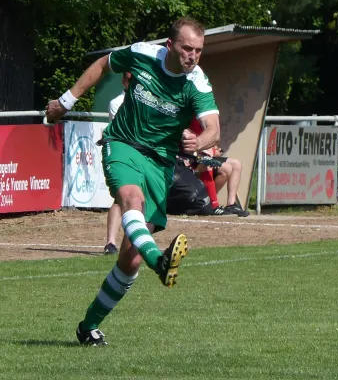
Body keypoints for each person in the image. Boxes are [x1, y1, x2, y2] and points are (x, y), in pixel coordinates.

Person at [45, 17, 221, 346]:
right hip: (123, 145)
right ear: (170, 46)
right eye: (186, 48)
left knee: (130, 258)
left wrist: (199, 141)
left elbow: (213, 126)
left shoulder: (197, 82)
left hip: (160, 164)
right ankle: (161, 261)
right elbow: (103, 63)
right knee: (131, 200)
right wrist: (66, 101)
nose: (192, 56)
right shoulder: (142, 54)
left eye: (198, 50)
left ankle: (88, 327)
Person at [185, 117, 250, 216]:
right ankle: (211, 204)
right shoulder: (190, 120)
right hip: (191, 157)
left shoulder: (209, 118)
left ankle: (231, 204)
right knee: (222, 168)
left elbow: (212, 144)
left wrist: (215, 150)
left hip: (204, 155)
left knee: (236, 164)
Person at [104, 72, 132, 255]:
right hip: (122, 152)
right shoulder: (116, 103)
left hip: (140, 154)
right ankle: (111, 242)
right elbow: (126, 131)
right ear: (124, 81)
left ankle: (129, 243)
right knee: (120, 197)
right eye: (130, 79)